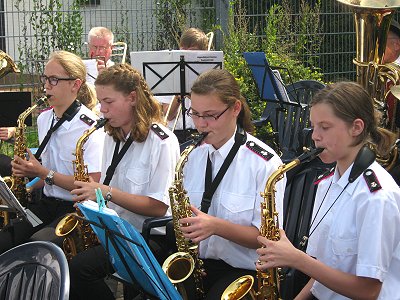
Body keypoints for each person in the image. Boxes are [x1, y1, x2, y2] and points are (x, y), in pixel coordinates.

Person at [256, 81, 400, 299]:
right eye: (313, 126)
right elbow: (324, 269)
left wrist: (296, 258)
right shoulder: (326, 183)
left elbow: (368, 291)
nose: (315, 136)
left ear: (356, 127)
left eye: (325, 127)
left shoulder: (376, 198)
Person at [68, 63, 180, 300]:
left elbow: (159, 207)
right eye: (100, 102)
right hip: (119, 232)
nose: (102, 109)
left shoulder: (161, 141)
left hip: (150, 238)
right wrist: (91, 201)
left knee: (80, 269)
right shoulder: (112, 135)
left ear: (132, 98)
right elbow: (110, 190)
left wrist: (105, 192)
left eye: (109, 102)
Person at [177, 69, 285, 299]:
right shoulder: (191, 156)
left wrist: (216, 226)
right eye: (195, 114)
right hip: (199, 266)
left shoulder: (264, 163)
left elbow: (268, 239)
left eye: (210, 115)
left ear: (235, 108)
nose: (201, 124)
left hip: (246, 274)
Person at [0, 50, 104, 254]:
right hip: (46, 205)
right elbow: (48, 172)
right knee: (8, 237)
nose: (46, 85)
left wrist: (41, 173)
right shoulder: (44, 119)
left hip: (74, 211)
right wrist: (27, 186)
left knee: (37, 245)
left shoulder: (90, 127)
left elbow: (92, 185)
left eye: (54, 80)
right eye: (45, 78)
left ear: (75, 84)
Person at [159, 27, 210, 143]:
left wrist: (192, 95)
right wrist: (178, 96)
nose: (185, 55)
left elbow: (210, 110)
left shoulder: (209, 76)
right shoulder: (169, 74)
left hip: (201, 134)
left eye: (191, 50)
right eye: (182, 50)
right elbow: (168, 116)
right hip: (175, 134)